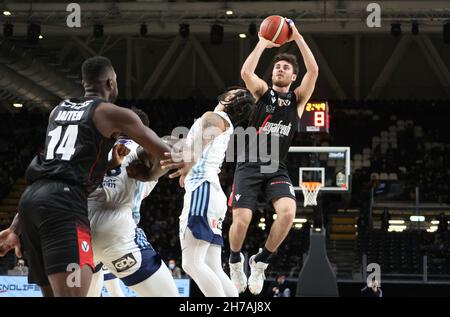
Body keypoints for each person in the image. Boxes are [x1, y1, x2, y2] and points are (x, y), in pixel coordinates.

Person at [0, 56, 173, 297]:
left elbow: (55, 168)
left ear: (84, 83)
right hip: (67, 206)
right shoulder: (112, 113)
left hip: (31, 202)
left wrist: (13, 228)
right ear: (111, 82)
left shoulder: (57, 111)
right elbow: (166, 152)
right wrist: (185, 160)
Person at [227, 18, 319, 295]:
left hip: (276, 167)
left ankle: (260, 262)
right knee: (241, 220)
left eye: (286, 67)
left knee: (289, 213)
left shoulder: (298, 100)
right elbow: (246, 71)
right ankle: (234, 260)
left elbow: (313, 70)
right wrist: (263, 43)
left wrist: (298, 36)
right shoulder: (262, 93)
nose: (280, 68)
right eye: (277, 66)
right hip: (249, 165)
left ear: (293, 78)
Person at [161, 87, 255, 297]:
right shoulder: (223, 122)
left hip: (203, 191)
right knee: (212, 267)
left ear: (230, 98)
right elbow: (197, 143)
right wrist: (187, 159)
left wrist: (189, 161)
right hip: (211, 193)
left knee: (192, 263)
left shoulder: (215, 117)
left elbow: (202, 140)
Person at [87, 108, 178, 297]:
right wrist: (154, 173)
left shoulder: (92, 146)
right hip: (117, 231)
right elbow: (173, 145)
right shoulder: (140, 148)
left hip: (80, 228)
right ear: (143, 131)